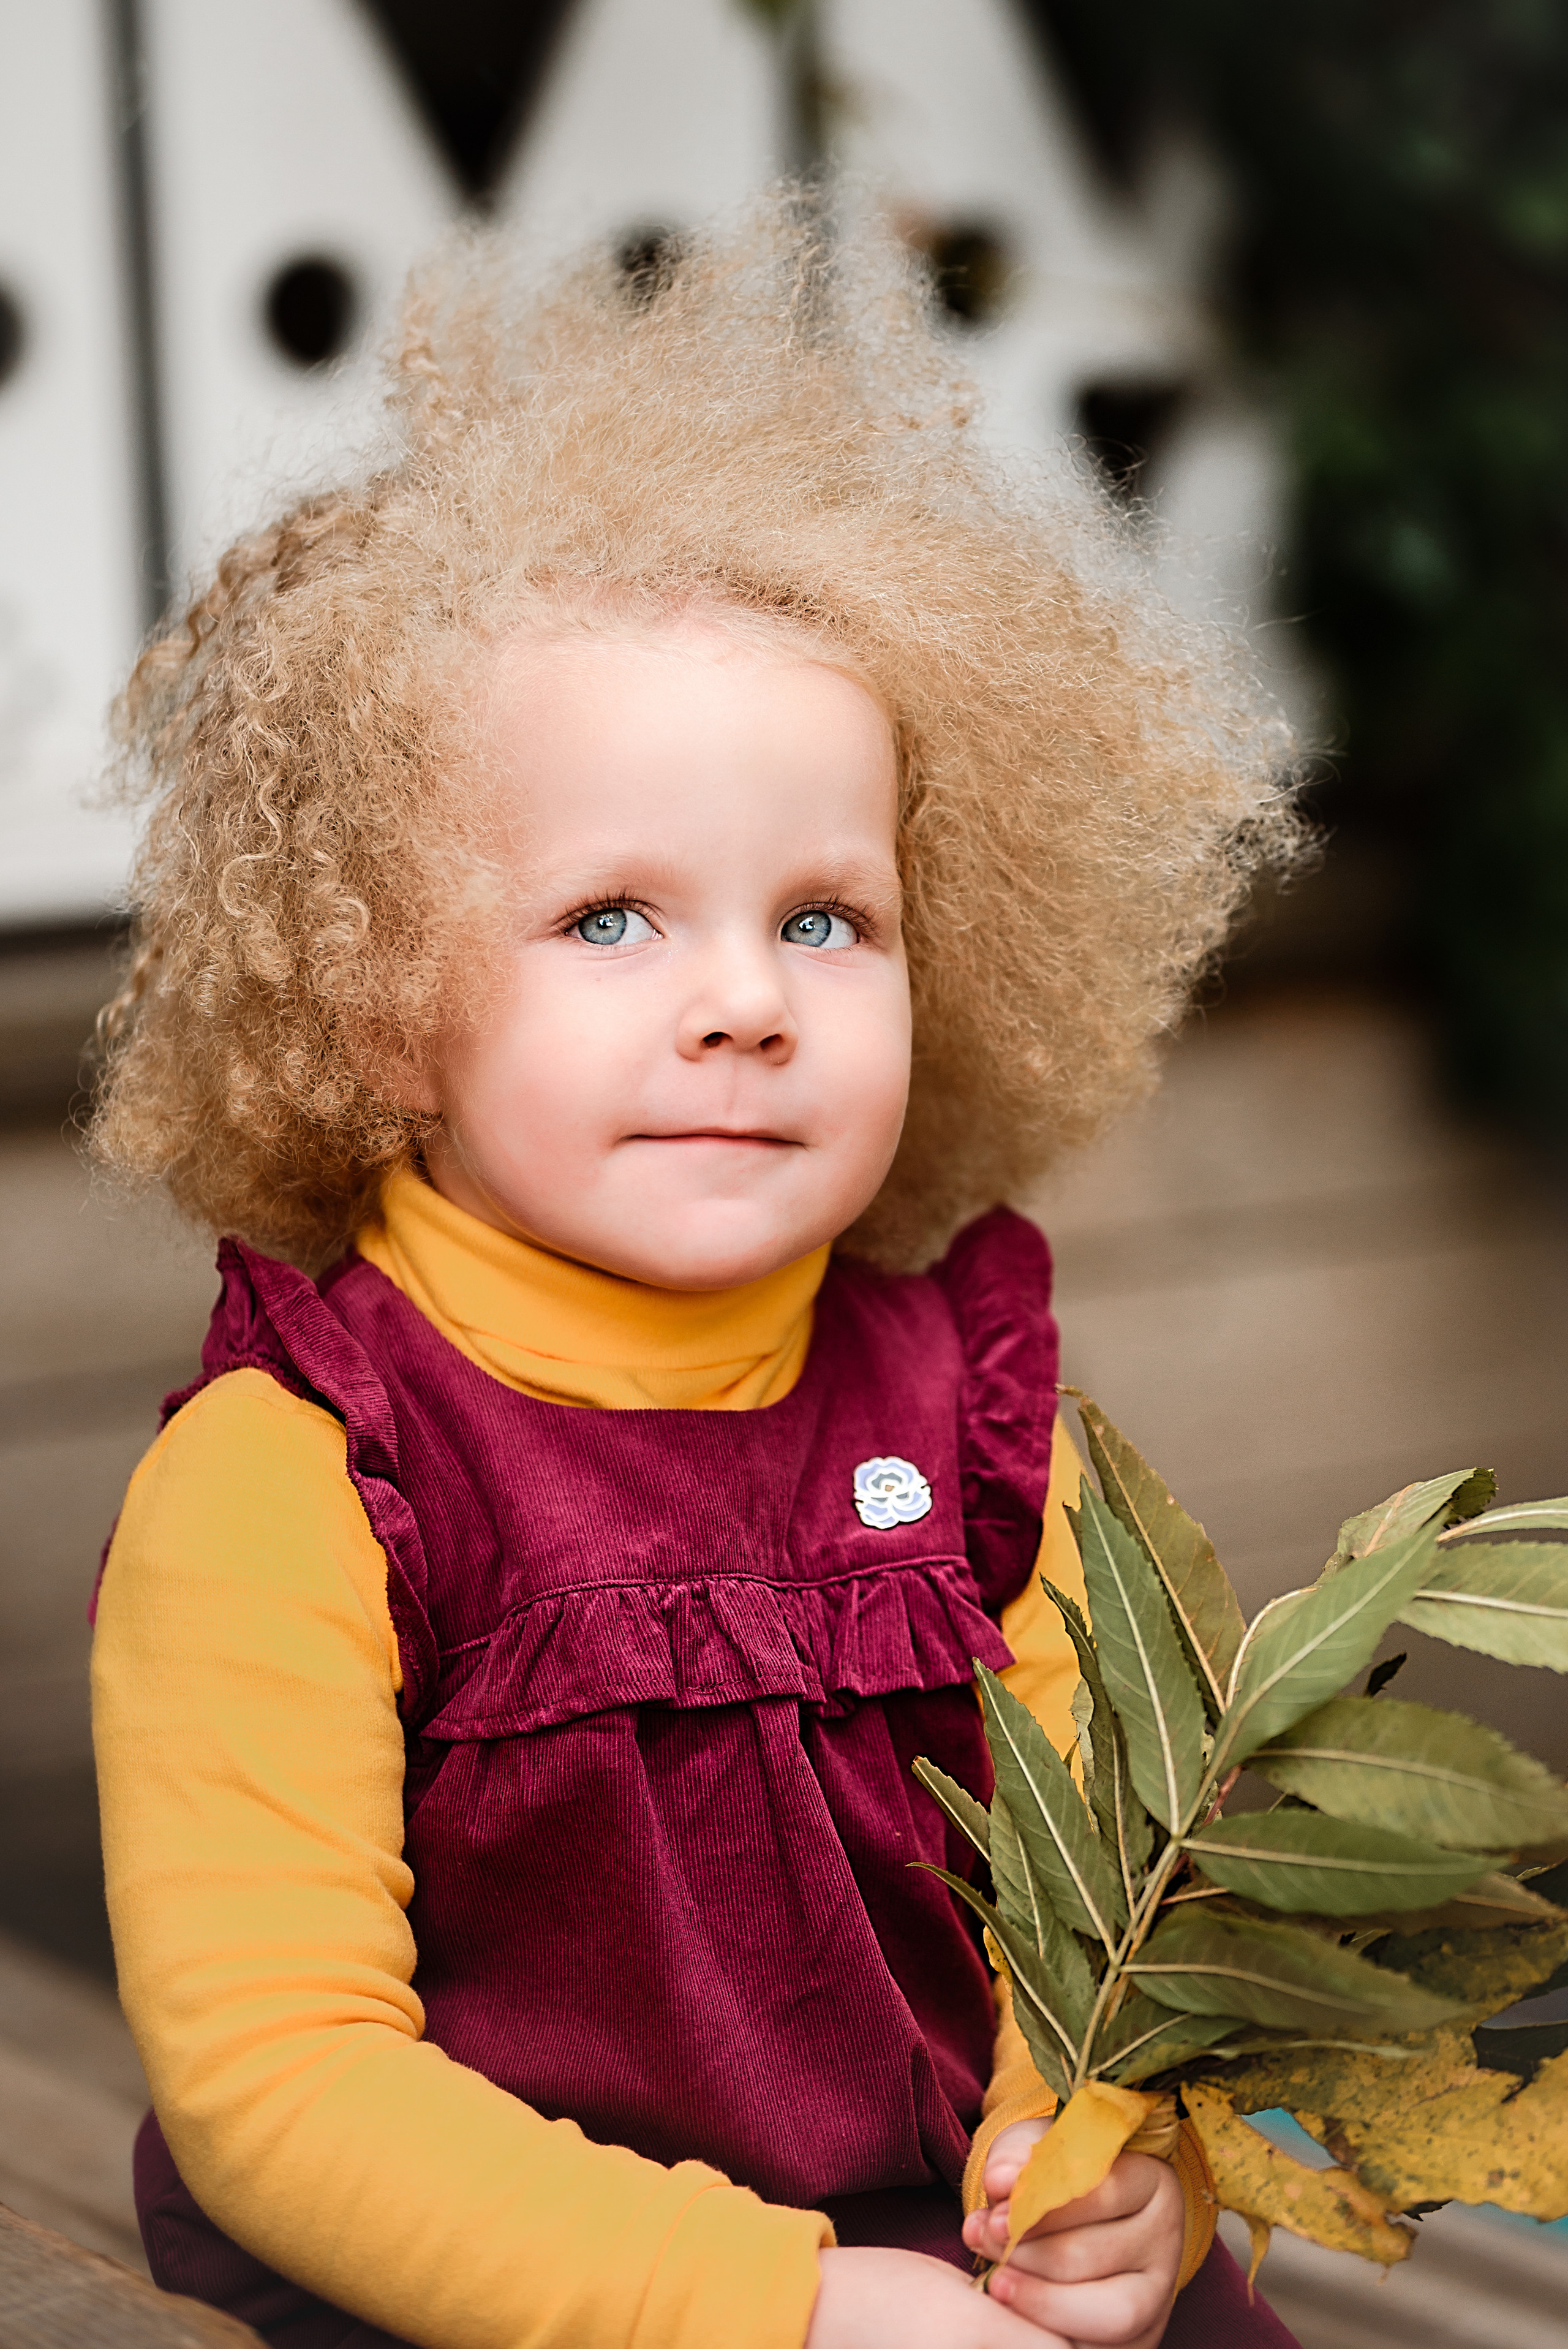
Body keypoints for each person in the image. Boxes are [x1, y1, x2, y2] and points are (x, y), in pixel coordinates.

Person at [89, 195, 1303, 2349]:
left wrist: (1125, 2157)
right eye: (612, 918)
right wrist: (789, 2311)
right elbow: (284, 2085)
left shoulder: (985, 1426)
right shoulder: (303, 1481)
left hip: (967, 2269)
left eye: (824, 917)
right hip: (527, 2293)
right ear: (379, 999)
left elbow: (1128, 1918)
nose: (745, 1000)